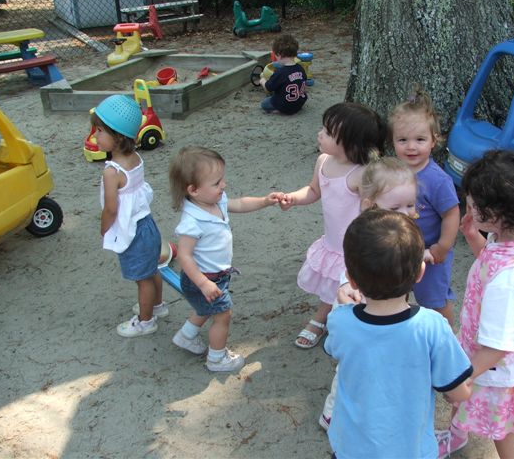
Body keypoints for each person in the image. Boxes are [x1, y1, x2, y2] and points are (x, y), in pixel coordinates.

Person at [437, 150, 514, 459]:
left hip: (496, 366)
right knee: (463, 405)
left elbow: (499, 344)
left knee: (502, 428)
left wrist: (464, 376)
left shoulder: (510, 279)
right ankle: (456, 437)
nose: (468, 206)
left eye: (474, 204)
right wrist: (473, 235)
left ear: (497, 214)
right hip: (484, 350)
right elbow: (491, 260)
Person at [325, 209, 473, 459]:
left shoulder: (340, 320)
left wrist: (344, 305)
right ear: (420, 273)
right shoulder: (431, 326)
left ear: (351, 279)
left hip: (351, 448)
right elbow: (458, 392)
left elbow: (334, 347)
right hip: (411, 449)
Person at [319, 155, 421, 430]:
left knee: (379, 363)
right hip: (359, 309)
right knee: (351, 368)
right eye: (396, 207)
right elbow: (351, 266)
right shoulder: (364, 235)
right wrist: (345, 286)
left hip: (388, 307)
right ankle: (331, 413)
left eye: (410, 204)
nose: (406, 213)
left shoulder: (402, 230)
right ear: (369, 205)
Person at [280, 102, 386, 349]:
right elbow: (313, 190)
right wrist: (293, 198)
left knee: (359, 290)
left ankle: (361, 326)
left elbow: (374, 211)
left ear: (351, 144)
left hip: (356, 248)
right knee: (331, 285)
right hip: (333, 243)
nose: (320, 134)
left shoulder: (362, 174)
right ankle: (322, 317)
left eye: (328, 132)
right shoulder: (323, 161)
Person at [169, 146, 283, 372]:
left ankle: (186, 336)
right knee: (223, 316)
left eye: (222, 179)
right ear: (193, 190)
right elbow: (184, 255)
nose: (224, 185)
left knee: (205, 308)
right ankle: (216, 359)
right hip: (203, 279)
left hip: (216, 276)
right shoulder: (192, 222)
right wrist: (203, 283)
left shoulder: (216, 202)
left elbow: (239, 203)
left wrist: (264, 201)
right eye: (216, 183)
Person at [94, 94, 165, 338]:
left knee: (142, 279)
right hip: (147, 226)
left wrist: (104, 228)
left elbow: (111, 209)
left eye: (100, 131)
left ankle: (146, 322)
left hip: (132, 233)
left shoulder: (112, 172)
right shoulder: (135, 158)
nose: (95, 136)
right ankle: (157, 305)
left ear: (118, 136)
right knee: (152, 270)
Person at [389, 87, 460, 327]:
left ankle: (447, 337)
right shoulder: (392, 173)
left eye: (419, 140)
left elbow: (451, 213)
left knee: (433, 300)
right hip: (398, 249)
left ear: (433, 141)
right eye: (402, 140)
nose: (411, 147)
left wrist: (443, 246)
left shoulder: (437, 180)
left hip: (430, 253)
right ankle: (402, 330)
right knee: (395, 294)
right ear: (393, 141)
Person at [259, 33, 307, 115]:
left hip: (284, 105)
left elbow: (268, 87)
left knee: (264, 104)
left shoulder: (280, 72)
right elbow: (304, 82)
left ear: (279, 55)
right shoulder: (300, 68)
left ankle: (280, 111)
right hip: (299, 103)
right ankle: (293, 107)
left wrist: (262, 80)